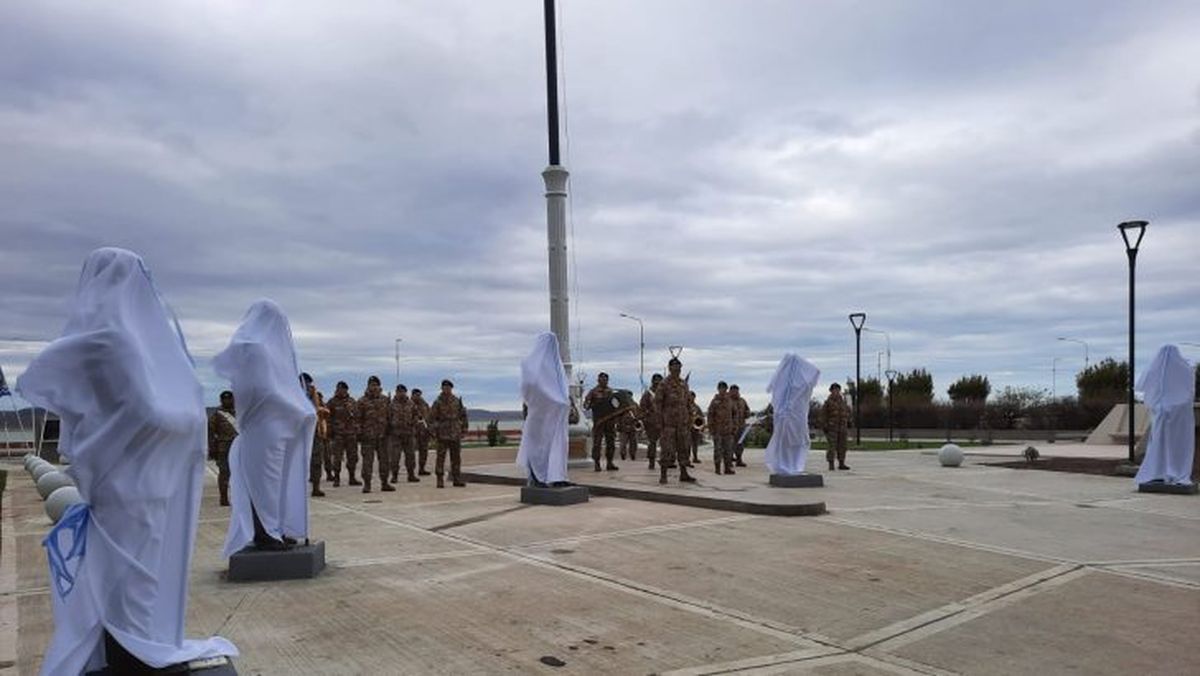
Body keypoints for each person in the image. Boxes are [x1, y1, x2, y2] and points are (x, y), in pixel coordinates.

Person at [18, 247, 237, 675]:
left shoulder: (101, 339)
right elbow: (145, 411)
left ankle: (135, 644)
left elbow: (63, 389)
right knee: (136, 577)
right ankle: (137, 649)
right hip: (133, 480)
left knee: (131, 572)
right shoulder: (114, 340)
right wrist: (189, 416)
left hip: (127, 476)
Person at [216, 300, 316, 556]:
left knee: (277, 482)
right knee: (263, 481)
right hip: (263, 425)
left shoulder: (271, 351)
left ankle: (276, 529)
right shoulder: (252, 349)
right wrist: (294, 405)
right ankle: (264, 533)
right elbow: (261, 390)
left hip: (279, 424)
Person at [1134, 345, 1196, 487]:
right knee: (1176, 445)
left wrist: (1159, 406)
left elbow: (1146, 389)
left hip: (1163, 415)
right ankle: (1167, 471)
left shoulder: (1155, 369)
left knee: (1160, 443)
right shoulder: (1185, 369)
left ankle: (1159, 471)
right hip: (1178, 416)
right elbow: (1188, 392)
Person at [516, 333, 571, 486]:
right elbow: (531, 389)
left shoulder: (556, 366)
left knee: (557, 447)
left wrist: (561, 403)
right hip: (541, 415)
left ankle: (558, 477)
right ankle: (537, 478)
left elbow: (561, 390)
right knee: (538, 447)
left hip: (555, 416)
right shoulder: (530, 366)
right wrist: (553, 401)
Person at [763, 354, 821, 476]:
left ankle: (794, 466)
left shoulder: (798, 384)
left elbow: (814, 374)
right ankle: (786, 465)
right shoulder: (788, 384)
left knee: (798, 441)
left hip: (796, 417)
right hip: (788, 417)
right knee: (787, 441)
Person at [657, 358, 697, 484]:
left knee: (684, 448)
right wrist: (660, 422)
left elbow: (688, 402)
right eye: (674, 368)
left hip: (683, 424)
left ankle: (684, 473)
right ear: (669, 368)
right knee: (667, 450)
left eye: (679, 368)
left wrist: (690, 417)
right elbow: (658, 404)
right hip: (669, 424)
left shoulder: (683, 384)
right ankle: (663, 475)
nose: (677, 370)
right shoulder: (664, 384)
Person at [428, 379, 469, 488]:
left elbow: (463, 415)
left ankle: (456, 479)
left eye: (449, 387)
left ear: (451, 388)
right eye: (444, 387)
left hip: (455, 434)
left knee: (456, 458)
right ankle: (440, 479)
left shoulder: (457, 401)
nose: (447, 389)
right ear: (441, 388)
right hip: (442, 434)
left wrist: (464, 429)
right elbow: (431, 419)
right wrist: (433, 432)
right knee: (440, 458)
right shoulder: (437, 402)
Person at [356, 375, 392, 493]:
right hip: (368, 437)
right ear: (368, 386)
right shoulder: (362, 401)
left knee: (385, 461)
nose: (374, 387)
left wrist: (389, 430)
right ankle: (367, 484)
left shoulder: (385, 400)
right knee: (367, 462)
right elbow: (357, 419)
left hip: (382, 436)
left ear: (379, 386)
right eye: (372, 385)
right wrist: (360, 434)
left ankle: (385, 483)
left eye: (376, 385)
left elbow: (389, 416)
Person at [583, 372, 619, 471]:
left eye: (606, 379)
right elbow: (586, 405)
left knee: (611, 442)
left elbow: (616, 405)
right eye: (602, 379)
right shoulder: (593, 392)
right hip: (599, 422)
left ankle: (610, 462)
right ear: (598, 380)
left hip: (610, 421)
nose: (604, 381)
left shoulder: (611, 391)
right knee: (597, 443)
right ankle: (597, 463)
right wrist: (592, 404)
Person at [208, 390, 238, 506]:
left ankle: (238, 497)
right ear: (221, 400)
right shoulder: (217, 414)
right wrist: (212, 449)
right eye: (225, 399)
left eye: (229, 398)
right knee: (224, 473)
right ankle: (224, 498)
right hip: (223, 448)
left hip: (238, 447)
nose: (227, 401)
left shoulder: (239, 412)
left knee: (239, 474)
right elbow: (210, 432)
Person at [325, 381, 358, 486]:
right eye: (338, 389)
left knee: (352, 457)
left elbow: (357, 416)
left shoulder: (352, 401)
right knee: (337, 457)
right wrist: (329, 432)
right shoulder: (331, 402)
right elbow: (327, 418)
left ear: (346, 390)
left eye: (343, 389)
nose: (340, 391)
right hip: (338, 434)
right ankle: (337, 478)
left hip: (351, 434)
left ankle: (352, 477)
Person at [302, 373, 327, 498]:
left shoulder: (315, 396)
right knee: (298, 462)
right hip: (298, 434)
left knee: (316, 460)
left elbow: (320, 411)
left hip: (314, 432)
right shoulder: (291, 395)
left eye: (309, 384)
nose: (308, 387)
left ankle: (316, 487)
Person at [389, 384, 420, 483]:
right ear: (396, 392)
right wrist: (391, 425)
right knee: (395, 457)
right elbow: (387, 417)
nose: (401, 393)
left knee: (410, 456)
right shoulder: (391, 404)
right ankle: (394, 476)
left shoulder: (411, 404)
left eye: (403, 391)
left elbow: (416, 415)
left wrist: (413, 422)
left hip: (409, 433)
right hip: (396, 435)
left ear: (405, 392)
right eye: (399, 392)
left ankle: (411, 475)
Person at [707, 382, 736, 474]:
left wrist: (734, 426)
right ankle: (717, 468)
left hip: (728, 430)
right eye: (721, 388)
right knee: (718, 450)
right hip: (717, 430)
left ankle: (727, 468)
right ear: (718, 389)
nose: (723, 390)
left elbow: (735, 413)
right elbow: (710, 415)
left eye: (724, 388)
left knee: (728, 450)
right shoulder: (715, 401)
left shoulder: (730, 401)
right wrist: (711, 428)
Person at [822, 382, 851, 470]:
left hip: (842, 427)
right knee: (832, 446)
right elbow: (823, 415)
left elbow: (846, 413)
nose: (836, 391)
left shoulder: (843, 402)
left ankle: (841, 463)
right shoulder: (828, 402)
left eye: (838, 390)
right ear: (831, 391)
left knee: (842, 446)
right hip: (832, 427)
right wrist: (825, 426)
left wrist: (848, 421)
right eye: (834, 390)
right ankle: (831, 464)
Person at [639, 374, 663, 469]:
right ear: (652, 381)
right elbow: (642, 408)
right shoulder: (647, 394)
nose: (657, 383)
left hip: (664, 421)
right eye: (655, 381)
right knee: (652, 442)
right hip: (651, 422)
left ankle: (665, 461)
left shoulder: (664, 393)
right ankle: (651, 461)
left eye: (659, 381)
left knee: (666, 443)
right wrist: (646, 418)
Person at [729, 385, 751, 467]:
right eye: (733, 391)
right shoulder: (727, 401)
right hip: (731, 426)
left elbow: (747, 410)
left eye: (737, 391)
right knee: (730, 444)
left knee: (740, 444)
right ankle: (729, 461)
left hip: (741, 426)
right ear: (730, 391)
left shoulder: (742, 401)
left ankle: (739, 460)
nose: (735, 393)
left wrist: (747, 413)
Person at [412, 388, 432, 476]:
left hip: (424, 432)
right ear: (412, 395)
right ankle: (411, 471)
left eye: (419, 395)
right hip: (413, 432)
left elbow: (430, 416)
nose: (418, 397)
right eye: (416, 395)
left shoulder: (425, 405)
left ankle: (422, 469)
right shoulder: (408, 404)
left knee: (424, 451)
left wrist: (430, 429)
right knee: (410, 453)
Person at [689, 390, 704, 465]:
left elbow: (701, 416)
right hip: (687, 428)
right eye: (690, 396)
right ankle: (686, 459)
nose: (691, 398)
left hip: (695, 428)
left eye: (692, 397)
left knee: (695, 444)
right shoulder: (685, 406)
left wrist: (701, 426)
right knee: (687, 444)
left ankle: (695, 457)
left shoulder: (697, 407)